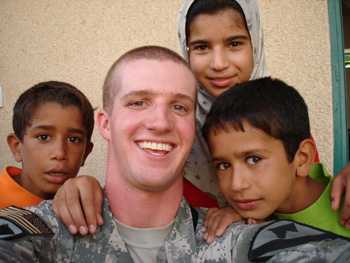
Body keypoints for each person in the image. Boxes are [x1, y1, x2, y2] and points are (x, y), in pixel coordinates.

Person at [1, 45, 350, 263]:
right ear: (105, 124)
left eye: (179, 107)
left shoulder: (232, 238)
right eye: (138, 102)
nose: (159, 122)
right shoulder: (41, 232)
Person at [51, 0, 350, 238]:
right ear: (186, 49)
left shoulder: (284, 118)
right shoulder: (172, 139)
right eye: (202, 47)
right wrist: (80, 188)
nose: (219, 64)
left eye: (235, 44)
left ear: (255, 43)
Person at [202, 76, 349, 237]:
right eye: (224, 165)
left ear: (303, 158)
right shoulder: (242, 222)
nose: (237, 185)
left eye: (254, 159)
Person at [0, 81, 94, 209]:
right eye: (43, 137)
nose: (60, 153)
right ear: (16, 147)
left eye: (73, 139)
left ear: (85, 154)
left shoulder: (87, 206)